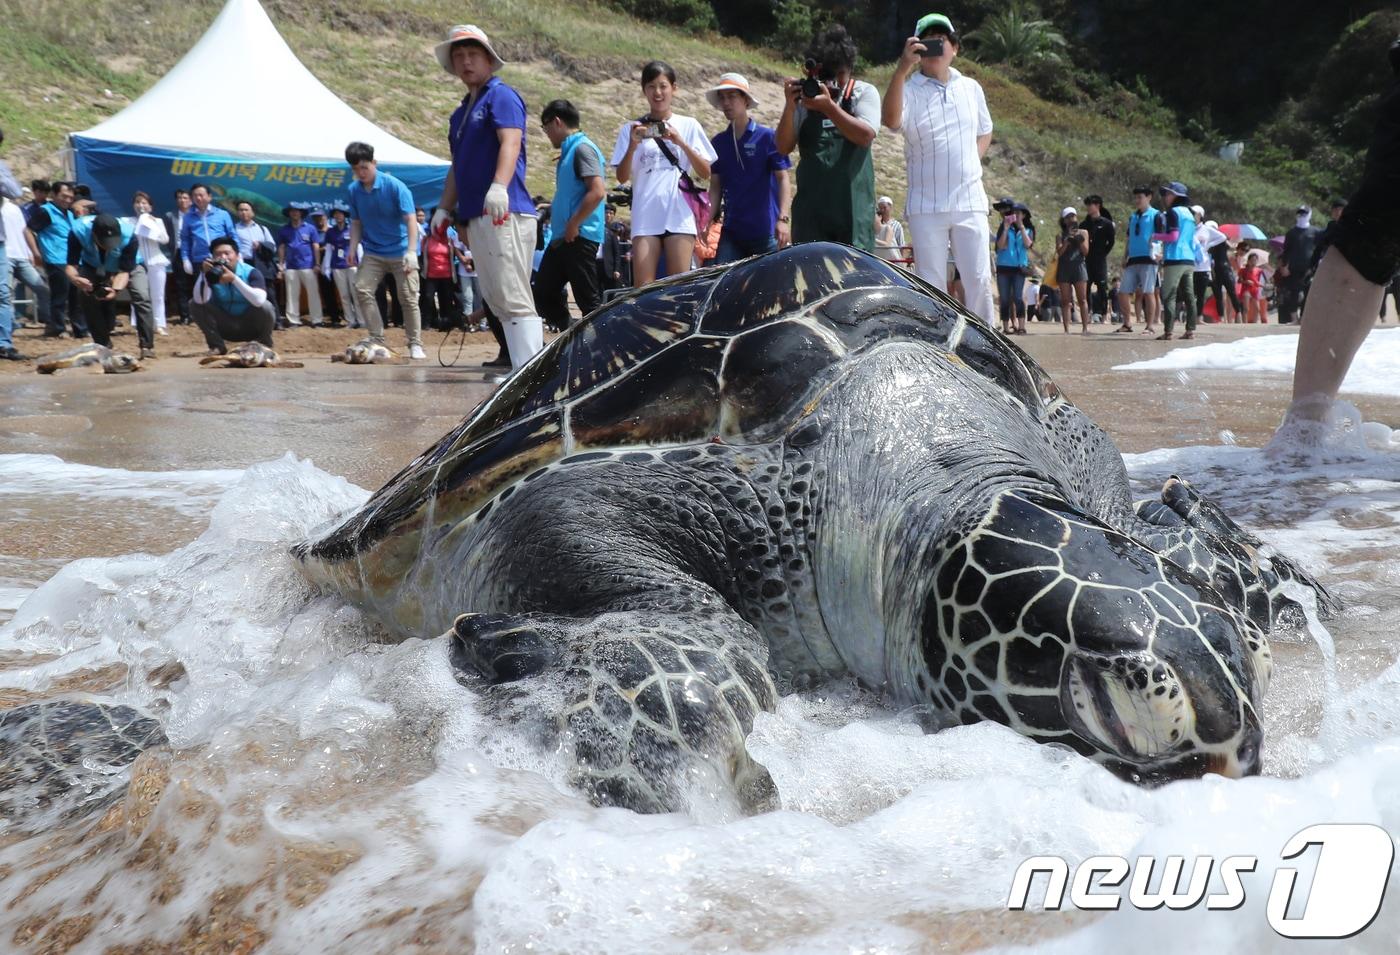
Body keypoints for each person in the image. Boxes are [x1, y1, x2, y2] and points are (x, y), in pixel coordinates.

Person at [435, 24, 541, 372]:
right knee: (497, 299)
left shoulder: (501, 95)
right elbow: (457, 166)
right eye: (459, 56)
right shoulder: (460, 111)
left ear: (488, 60)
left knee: (513, 296)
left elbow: (510, 142)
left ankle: (530, 379)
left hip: (504, 210)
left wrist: (499, 185)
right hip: (477, 214)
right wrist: (444, 207)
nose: (466, 62)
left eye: (473, 54)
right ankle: (520, 375)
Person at [880, 13, 993, 321]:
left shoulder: (971, 88)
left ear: (954, 48)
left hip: (969, 200)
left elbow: (985, 130)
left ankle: (990, 352)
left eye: (940, 40)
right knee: (931, 285)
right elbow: (890, 120)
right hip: (926, 205)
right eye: (926, 40)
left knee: (979, 280)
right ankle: (939, 351)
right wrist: (903, 69)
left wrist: (971, 161)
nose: (934, 47)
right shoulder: (910, 87)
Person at [612, 60, 716, 286]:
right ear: (644, 91)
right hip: (645, 214)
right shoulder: (631, 128)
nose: (657, 93)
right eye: (651, 87)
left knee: (678, 287)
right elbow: (621, 177)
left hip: (679, 214)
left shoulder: (688, 125)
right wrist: (632, 145)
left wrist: (681, 142)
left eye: (663, 86)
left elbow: (705, 172)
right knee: (643, 289)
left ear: (673, 88)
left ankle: (679, 323)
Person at [778, 24, 879, 252]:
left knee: (857, 280)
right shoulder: (805, 100)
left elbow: (865, 136)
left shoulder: (864, 93)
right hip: (811, 213)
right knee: (812, 282)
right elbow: (783, 147)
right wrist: (790, 107)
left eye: (839, 75)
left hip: (854, 210)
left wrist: (830, 108)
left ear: (850, 67)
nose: (834, 83)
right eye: (828, 76)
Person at [345, 141, 425, 360]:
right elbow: (356, 222)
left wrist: (411, 251)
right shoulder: (354, 191)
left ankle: (415, 343)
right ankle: (377, 338)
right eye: (355, 169)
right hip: (373, 251)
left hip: (401, 251)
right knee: (362, 288)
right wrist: (352, 247)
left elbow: (410, 219)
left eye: (364, 167)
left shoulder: (395, 186)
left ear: (374, 163)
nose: (360, 173)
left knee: (408, 297)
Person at [705, 72, 792, 263]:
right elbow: (715, 188)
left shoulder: (767, 137)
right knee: (725, 286)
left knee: (773, 287)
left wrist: (783, 219)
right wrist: (705, 221)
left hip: (766, 231)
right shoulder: (719, 142)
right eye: (722, 98)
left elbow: (784, 178)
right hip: (732, 232)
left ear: (746, 100)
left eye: (732, 96)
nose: (726, 103)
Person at [536, 99, 606, 330]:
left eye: (546, 128)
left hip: (579, 235)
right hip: (563, 237)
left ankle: (601, 347)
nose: (547, 134)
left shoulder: (582, 148)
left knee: (588, 299)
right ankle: (571, 334)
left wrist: (574, 223)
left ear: (556, 122)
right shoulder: (568, 152)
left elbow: (597, 191)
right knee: (544, 292)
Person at [66, 212, 156, 357]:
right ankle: (103, 345)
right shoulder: (78, 231)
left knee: (142, 295)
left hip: (129, 266)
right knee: (84, 296)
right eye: (104, 242)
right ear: (93, 235)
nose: (108, 246)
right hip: (93, 264)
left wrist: (115, 289)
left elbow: (124, 271)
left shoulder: (129, 235)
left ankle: (147, 347)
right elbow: (71, 265)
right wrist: (76, 279)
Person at [191, 235, 278, 354]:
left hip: (251, 325)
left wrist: (234, 279)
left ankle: (263, 344)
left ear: (237, 255)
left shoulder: (251, 272)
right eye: (218, 254)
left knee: (266, 306)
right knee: (193, 304)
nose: (223, 257)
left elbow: (259, 301)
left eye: (227, 253)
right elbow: (199, 300)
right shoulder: (211, 274)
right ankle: (217, 346)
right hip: (225, 325)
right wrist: (204, 275)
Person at [28, 181, 87, 339]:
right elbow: (28, 230)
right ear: (53, 195)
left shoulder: (69, 213)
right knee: (60, 295)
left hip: (73, 259)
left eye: (70, 197)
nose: (67, 200)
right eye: (64, 196)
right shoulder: (45, 211)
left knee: (77, 296)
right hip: (55, 258)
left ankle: (80, 329)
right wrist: (36, 252)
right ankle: (58, 327)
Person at [0, 193, 46, 351]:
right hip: (6, 256)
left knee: (41, 287)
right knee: (6, 294)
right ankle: (9, 328)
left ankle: (48, 320)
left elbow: (25, 230)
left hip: (21, 256)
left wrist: (31, 252)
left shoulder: (15, 209)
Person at [1152, 181, 1197, 340]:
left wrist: (1155, 236)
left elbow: (1173, 236)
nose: (1165, 197)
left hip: (1175, 258)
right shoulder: (1190, 214)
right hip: (1189, 259)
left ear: (1176, 196)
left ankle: (1168, 331)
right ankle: (1190, 330)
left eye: (1168, 194)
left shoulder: (1172, 213)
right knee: (1189, 295)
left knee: (1169, 295)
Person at [180, 183, 236, 297]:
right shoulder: (188, 217)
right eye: (195, 195)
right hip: (200, 260)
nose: (198, 198)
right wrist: (185, 259)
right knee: (203, 293)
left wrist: (238, 255)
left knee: (224, 292)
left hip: (222, 259)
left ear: (209, 196)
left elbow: (232, 236)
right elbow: (185, 240)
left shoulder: (222, 214)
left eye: (201, 195)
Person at [1116, 185, 1158, 335]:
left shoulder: (1156, 215)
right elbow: (1129, 238)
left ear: (1149, 197)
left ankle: (1150, 326)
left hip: (1149, 258)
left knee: (1148, 292)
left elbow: (1161, 236)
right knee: (1123, 292)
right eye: (1136, 197)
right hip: (1133, 258)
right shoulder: (1133, 217)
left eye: (1140, 197)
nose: (1137, 200)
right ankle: (1127, 323)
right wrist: (1124, 256)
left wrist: (1159, 254)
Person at [129, 191, 170, 337]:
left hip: (156, 260)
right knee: (139, 294)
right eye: (138, 202)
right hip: (137, 262)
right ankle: (137, 323)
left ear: (150, 206)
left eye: (144, 203)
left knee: (158, 295)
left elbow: (165, 239)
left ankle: (159, 324)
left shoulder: (157, 221)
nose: (141, 205)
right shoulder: (129, 222)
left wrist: (152, 223)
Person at [277, 203, 323, 327]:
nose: (294, 213)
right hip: (291, 266)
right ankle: (293, 320)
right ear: (289, 214)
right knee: (291, 295)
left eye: (297, 211)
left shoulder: (310, 228)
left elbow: (315, 246)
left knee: (313, 293)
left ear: (301, 213)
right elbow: (281, 247)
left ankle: (317, 320)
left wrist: (317, 263)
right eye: (292, 211)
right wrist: (281, 264)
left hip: (308, 266)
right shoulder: (284, 229)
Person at [992, 197, 1033, 335]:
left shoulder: (1028, 229)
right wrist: (1006, 228)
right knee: (1004, 298)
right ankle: (1005, 327)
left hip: (1019, 268)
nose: (1016, 215)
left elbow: (1028, 245)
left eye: (1019, 213)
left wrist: (1021, 227)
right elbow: (1000, 246)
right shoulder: (1005, 227)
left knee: (1018, 297)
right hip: (1003, 267)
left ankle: (1021, 326)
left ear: (1024, 215)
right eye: (1015, 213)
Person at [1276, 204, 1320, 325]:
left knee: (1309, 293)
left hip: (1310, 268)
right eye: (1300, 213)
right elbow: (1286, 251)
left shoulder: (1315, 232)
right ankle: (1294, 319)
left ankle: (1303, 318)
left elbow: (1321, 248)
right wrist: (1284, 266)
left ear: (1309, 215)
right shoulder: (1291, 233)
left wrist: (1320, 262)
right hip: (1293, 268)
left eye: (1304, 213)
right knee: (1293, 293)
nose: (1302, 216)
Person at [420, 212, 461, 330]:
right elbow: (423, 256)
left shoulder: (449, 241)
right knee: (428, 298)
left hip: (446, 274)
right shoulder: (427, 240)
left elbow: (453, 258)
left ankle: (445, 322)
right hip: (430, 274)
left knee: (446, 299)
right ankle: (427, 323)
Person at [1197, 219, 1242, 323]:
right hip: (1214, 270)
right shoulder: (1208, 241)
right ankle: (1222, 317)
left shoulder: (1220, 239)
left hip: (1224, 268)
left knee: (1231, 292)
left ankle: (1238, 315)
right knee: (1218, 295)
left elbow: (1231, 245)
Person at [323, 207, 361, 328]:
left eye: (340, 214)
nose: (338, 216)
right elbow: (329, 250)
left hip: (352, 265)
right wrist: (326, 267)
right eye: (335, 215)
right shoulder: (330, 232)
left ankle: (361, 320)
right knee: (344, 295)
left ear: (345, 216)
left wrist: (361, 264)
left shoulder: (352, 229)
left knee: (356, 293)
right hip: (337, 266)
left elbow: (359, 247)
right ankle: (351, 321)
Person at [1055, 207, 1091, 334]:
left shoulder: (1084, 232)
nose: (1071, 219)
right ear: (1064, 220)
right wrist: (1067, 240)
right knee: (1065, 300)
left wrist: (1078, 238)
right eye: (1068, 217)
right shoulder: (1060, 235)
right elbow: (1059, 253)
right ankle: (1066, 329)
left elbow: (1086, 251)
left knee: (1082, 299)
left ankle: (1085, 328)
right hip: (1064, 268)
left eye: (1073, 216)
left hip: (1079, 266)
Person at [1081, 195, 1115, 322]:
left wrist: (1103, 253)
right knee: (1086, 287)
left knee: (1102, 288)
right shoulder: (1084, 224)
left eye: (1091, 205)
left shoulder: (1106, 223)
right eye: (1087, 205)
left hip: (1100, 260)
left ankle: (1104, 314)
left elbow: (1111, 242)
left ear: (1098, 206)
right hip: (1087, 260)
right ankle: (1087, 315)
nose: (1089, 208)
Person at [164, 188, 195, 324]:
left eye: (185, 198)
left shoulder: (196, 215)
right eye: (179, 198)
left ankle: (197, 314)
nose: (182, 200)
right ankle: (185, 316)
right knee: (181, 285)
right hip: (178, 254)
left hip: (195, 254)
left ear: (191, 200)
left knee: (196, 285)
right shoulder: (170, 216)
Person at [873, 196, 906, 262]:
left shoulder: (896, 225)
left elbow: (901, 245)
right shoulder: (876, 226)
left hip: (892, 259)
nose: (882, 210)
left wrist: (902, 261)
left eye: (884, 208)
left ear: (890, 208)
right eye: (880, 208)